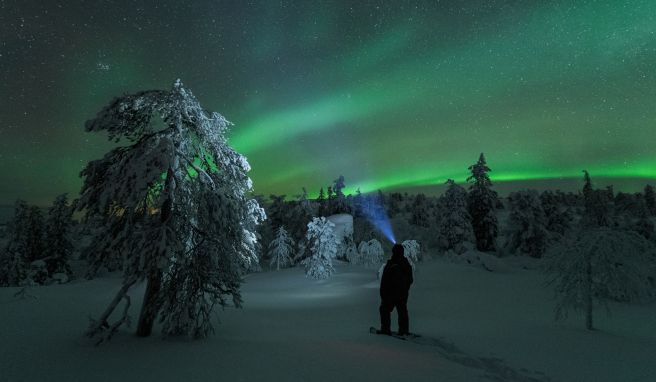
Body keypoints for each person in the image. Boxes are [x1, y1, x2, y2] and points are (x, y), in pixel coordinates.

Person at [377, 243, 413, 335]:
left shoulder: (391, 264)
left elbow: (384, 281)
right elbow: (410, 279)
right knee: (402, 311)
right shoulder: (406, 264)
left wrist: (383, 294)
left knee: (385, 309)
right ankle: (404, 330)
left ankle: (385, 329)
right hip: (401, 294)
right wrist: (405, 289)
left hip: (391, 294)